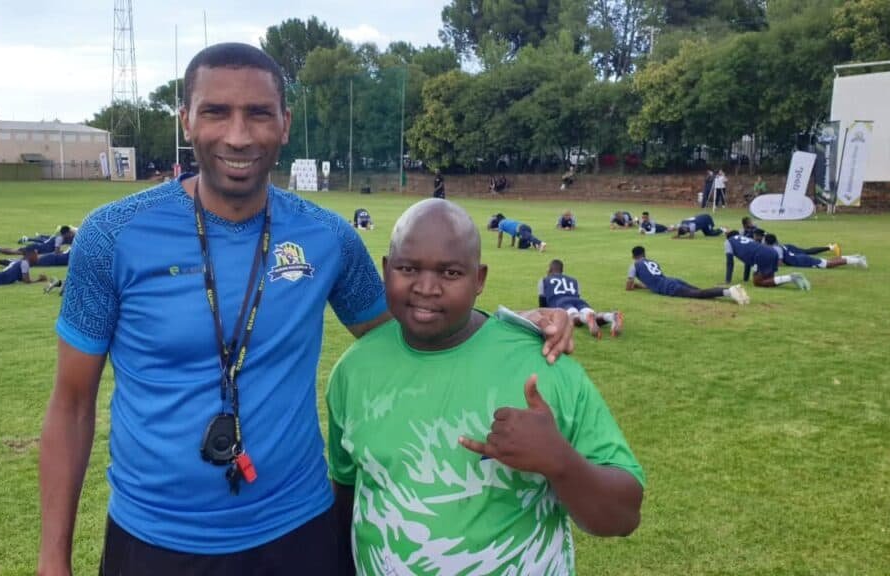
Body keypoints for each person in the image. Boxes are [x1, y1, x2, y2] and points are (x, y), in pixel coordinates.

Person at [37, 43, 574, 576]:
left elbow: (409, 328)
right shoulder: (111, 237)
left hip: (297, 530)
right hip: (155, 538)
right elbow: (72, 404)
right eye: (216, 112)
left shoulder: (327, 237)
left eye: (259, 113)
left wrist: (507, 326)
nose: (238, 135)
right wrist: (53, 558)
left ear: (285, 123)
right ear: (186, 121)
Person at [327, 199, 644, 574]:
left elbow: (624, 516)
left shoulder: (543, 366)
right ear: (385, 270)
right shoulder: (353, 371)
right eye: (408, 268)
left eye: (450, 273)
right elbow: (348, 492)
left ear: (479, 279)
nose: (426, 288)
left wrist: (559, 460)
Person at [627, 246, 749, 304]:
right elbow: (654, 280)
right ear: (644, 254)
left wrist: (633, 286)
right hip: (672, 280)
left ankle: (730, 291)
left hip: (668, 287)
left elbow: (628, 286)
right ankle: (734, 291)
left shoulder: (634, 265)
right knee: (700, 292)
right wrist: (640, 286)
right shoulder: (652, 262)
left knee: (699, 294)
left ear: (633, 256)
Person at [539, 259, 624, 338]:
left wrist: (545, 313)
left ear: (550, 269)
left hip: (561, 302)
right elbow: (578, 294)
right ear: (562, 270)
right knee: (593, 315)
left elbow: (542, 300)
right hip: (578, 301)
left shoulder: (544, 280)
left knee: (573, 317)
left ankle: (586, 317)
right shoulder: (574, 280)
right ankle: (611, 316)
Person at [724, 230, 810, 289]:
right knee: (768, 280)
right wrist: (745, 279)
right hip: (772, 251)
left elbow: (730, 262)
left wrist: (728, 281)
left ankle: (791, 278)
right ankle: (792, 278)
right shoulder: (747, 239)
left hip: (761, 255)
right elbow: (747, 260)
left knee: (758, 282)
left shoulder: (728, 241)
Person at [763, 234, 867, 269]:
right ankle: (854, 258)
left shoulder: (776, 249)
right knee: (828, 261)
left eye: (764, 242)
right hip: (800, 258)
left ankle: (858, 260)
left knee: (829, 264)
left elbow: (780, 263)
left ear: (768, 243)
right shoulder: (779, 246)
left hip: (801, 261)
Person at [0, 226, 76, 256]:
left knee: (16, 252)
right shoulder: (59, 239)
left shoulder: (64, 238)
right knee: (15, 252)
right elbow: (56, 253)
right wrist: (64, 252)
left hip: (39, 249)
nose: (72, 233)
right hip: (36, 248)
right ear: (66, 233)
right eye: (70, 232)